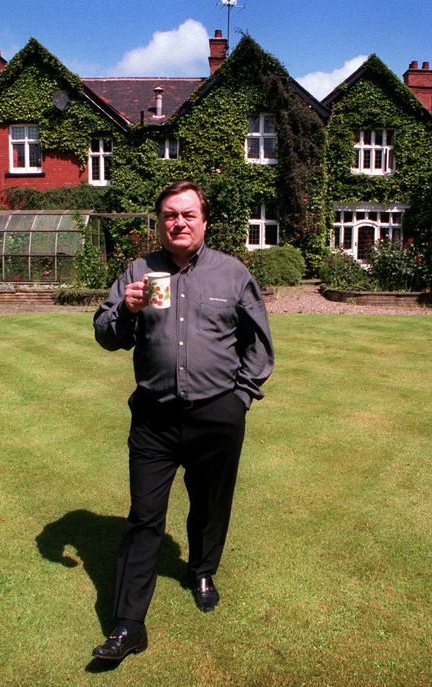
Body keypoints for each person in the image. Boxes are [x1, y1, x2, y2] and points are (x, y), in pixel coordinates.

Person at [91, 180, 274, 661]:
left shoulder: (232, 274)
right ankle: (129, 624)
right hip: (154, 418)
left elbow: (259, 343)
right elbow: (107, 335)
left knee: (210, 505)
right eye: (170, 215)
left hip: (217, 415)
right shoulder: (139, 271)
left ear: (204, 221)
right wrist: (126, 312)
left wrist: (240, 397)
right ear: (159, 222)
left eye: (188, 215)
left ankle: (202, 569)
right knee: (143, 517)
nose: (179, 222)